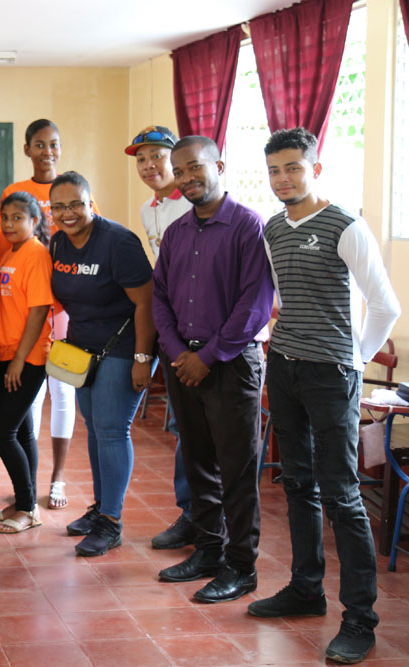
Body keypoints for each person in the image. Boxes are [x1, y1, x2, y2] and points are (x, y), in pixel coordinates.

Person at [248, 128, 400, 664]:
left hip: (333, 374)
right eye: (274, 170)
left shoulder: (345, 225)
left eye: (293, 167)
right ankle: (305, 589)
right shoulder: (273, 228)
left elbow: (385, 307)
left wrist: (353, 361)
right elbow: (286, 298)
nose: (283, 178)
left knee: (342, 494)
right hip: (284, 368)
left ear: (315, 167)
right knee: (298, 483)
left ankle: (360, 618)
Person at [152, 136, 275, 602]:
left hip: (231, 364)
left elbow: (255, 305)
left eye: (193, 168)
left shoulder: (248, 226)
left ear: (218, 165)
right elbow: (160, 297)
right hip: (184, 362)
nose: (185, 179)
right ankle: (208, 550)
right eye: (178, 172)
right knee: (198, 462)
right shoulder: (179, 232)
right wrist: (178, 351)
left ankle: (241, 568)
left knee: (237, 469)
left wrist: (208, 356)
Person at [50, 171, 156, 557]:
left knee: (112, 429)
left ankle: (111, 521)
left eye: (76, 203)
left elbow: (146, 303)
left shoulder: (118, 242)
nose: (69, 212)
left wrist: (143, 358)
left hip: (124, 346)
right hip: (84, 349)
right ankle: (100, 509)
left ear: (90, 202)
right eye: (59, 206)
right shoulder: (58, 243)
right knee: (94, 428)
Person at [125, 125, 196, 550]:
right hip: (172, 327)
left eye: (157, 156)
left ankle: (211, 520)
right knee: (183, 426)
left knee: (205, 431)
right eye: (141, 159)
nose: (149, 165)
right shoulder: (147, 209)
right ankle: (190, 513)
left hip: (205, 332)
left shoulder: (194, 204)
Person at [6, 120, 79, 511]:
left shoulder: (76, 190)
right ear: (27, 149)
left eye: (53, 144)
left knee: (63, 393)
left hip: (65, 310)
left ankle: (58, 479)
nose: (46, 151)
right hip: (28, 313)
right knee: (29, 401)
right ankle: (27, 484)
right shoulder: (15, 193)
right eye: (39, 144)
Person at [0, 192, 52, 533]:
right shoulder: (8, 253)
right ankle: (24, 501)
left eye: (18, 218)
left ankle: (28, 508)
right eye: (5, 217)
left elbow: (39, 310)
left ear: (35, 221)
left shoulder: (37, 255)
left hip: (26, 358)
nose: (10, 224)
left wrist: (19, 361)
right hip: (4, 353)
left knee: (1, 431)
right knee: (24, 432)